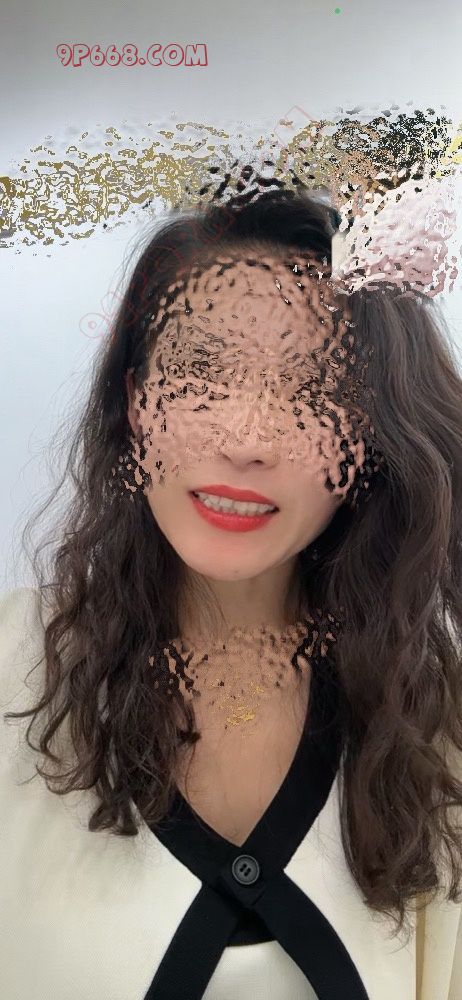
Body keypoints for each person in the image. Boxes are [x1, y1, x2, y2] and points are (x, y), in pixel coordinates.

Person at [1, 182, 462, 1000]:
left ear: (369, 441)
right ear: (136, 403)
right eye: (202, 374)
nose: (247, 440)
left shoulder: (441, 727)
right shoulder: (10, 666)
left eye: (313, 392)